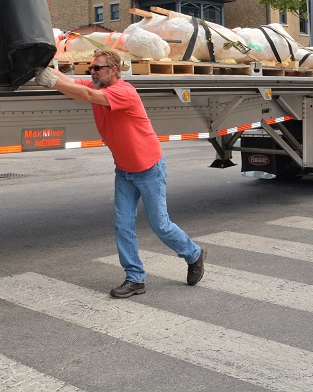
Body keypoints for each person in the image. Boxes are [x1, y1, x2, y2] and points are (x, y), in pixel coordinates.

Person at [35, 50, 206, 298]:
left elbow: (85, 94)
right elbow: (72, 83)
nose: (92, 72)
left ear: (114, 70)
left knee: (161, 225)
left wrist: (50, 81)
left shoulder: (123, 92)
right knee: (123, 225)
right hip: (124, 171)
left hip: (149, 169)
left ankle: (194, 253)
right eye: (91, 68)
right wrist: (43, 69)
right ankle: (135, 278)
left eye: (98, 68)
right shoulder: (98, 85)